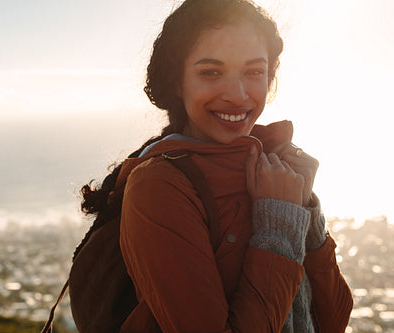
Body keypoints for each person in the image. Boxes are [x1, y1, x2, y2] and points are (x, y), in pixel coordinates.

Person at [81, 0, 353, 332]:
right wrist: (280, 220)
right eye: (211, 72)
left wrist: (307, 211)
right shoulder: (159, 186)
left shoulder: (272, 167)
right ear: (177, 82)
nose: (237, 95)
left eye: (254, 72)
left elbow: (333, 322)